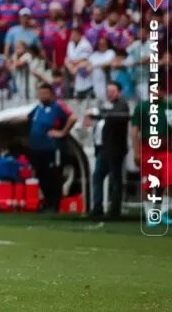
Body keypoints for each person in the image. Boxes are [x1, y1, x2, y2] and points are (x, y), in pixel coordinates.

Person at [25, 83, 76, 213]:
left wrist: (62, 132)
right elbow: (26, 118)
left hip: (51, 148)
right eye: (40, 93)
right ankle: (48, 202)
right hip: (37, 148)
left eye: (45, 93)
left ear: (51, 94)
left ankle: (55, 204)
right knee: (41, 175)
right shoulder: (37, 108)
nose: (42, 95)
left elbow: (73, 117)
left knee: (53, 175)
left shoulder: (57, 106)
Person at [131, 96, 172, 227]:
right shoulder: (141, 107)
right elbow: (135, 131)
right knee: (147, 183)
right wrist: (137, 152)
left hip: (166, 149)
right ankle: (150, 215)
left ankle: (164, 212)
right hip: (148, 148)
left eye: (160, 89)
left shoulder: (169, 107)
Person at [86, 81, 129, 219]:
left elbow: (114, 116)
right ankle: (98, 207)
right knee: (98, 176)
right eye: (108, 91)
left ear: (119, 92)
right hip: (103, 148)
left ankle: (114, 210)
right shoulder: (108, 106)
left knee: (115, 179)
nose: (109, 94)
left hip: (115, 148)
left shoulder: (121, 105)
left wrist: (98, 113)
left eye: (112, 91)